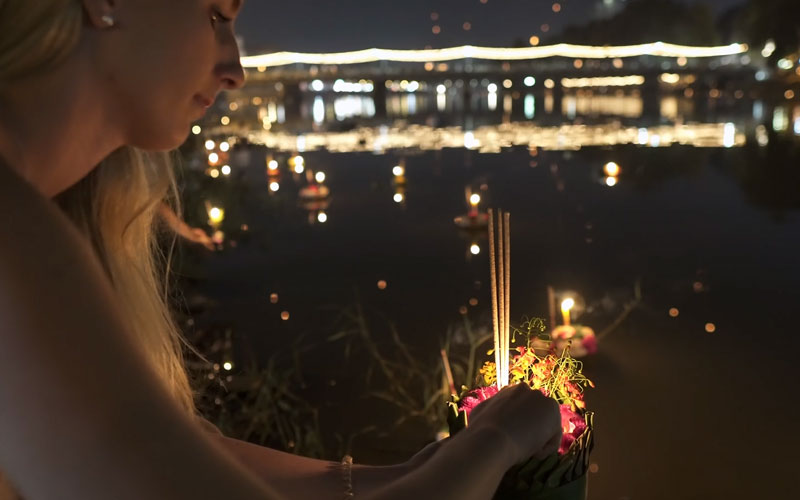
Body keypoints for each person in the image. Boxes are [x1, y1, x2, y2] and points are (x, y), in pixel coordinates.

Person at [0, 1, 562, 499]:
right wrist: (496, 439)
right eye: (216, 15)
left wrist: (402, 474)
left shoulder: (50, 217)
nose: (236, 71)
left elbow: (184, 457)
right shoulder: (13, 238)